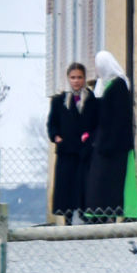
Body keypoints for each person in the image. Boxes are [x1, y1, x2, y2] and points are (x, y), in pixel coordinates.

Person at [83, 50, 135, 222]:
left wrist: (108, 141)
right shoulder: (102, 85)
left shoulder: (119, 85)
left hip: (114, 145)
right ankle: (98, 213)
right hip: (102, 143)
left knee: (111, 182)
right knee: (98, 181)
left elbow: (120, 117)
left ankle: (109, 213)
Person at [46, 62, 95, 224]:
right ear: (68, 78)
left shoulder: (91, 100)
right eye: (73, 77)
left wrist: (89, 135)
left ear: (85, 79)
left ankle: (84, 215)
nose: (76, 81)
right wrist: (56, 137)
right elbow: (52, 124)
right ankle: (67, 218)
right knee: (65, 186)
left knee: (82, 185)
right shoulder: (59, 101)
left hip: (83, 152)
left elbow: (96, 122)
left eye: (79, 77)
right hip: (66, 152)